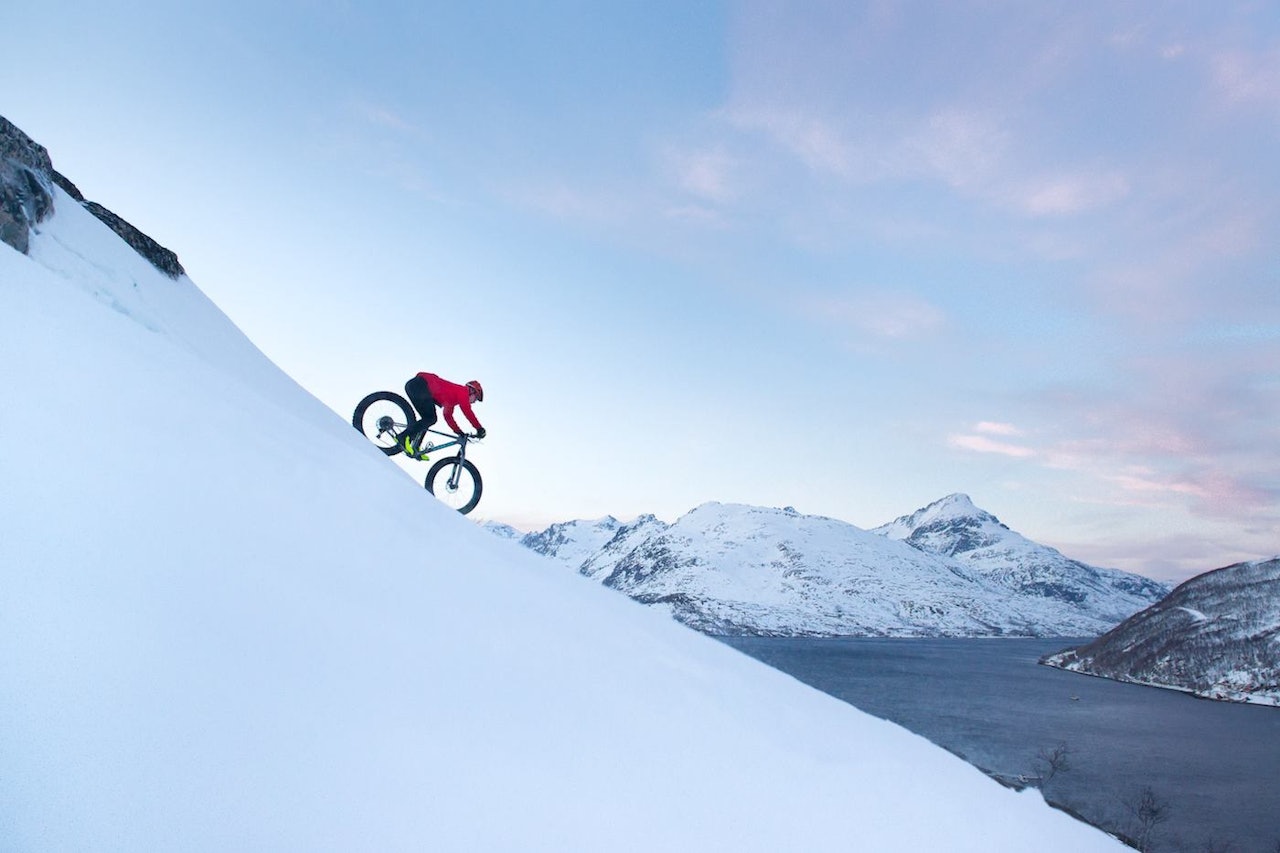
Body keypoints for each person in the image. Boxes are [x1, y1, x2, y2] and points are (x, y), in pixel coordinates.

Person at [400, 372, 486, 460]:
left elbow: (448, 416)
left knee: (428, 419)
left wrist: (459, 432)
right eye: (476, 398)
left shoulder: (452, 400)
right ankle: (403, 437)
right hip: (419, 385)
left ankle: (415, 447)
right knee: (431, 418)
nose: (474, 401)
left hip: (415, 387)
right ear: (472, 390)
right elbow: (467, 410)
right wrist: (479, 428)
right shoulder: (463, 391)